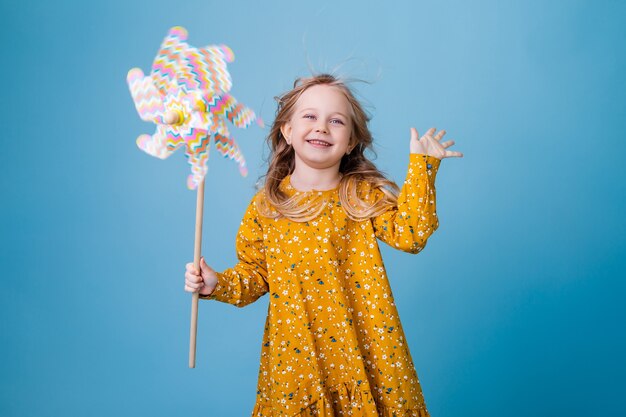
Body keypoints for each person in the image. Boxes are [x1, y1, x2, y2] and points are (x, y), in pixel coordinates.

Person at [184, 74, 462, 416]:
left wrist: (423, 168)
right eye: (310, 116)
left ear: (350, 142)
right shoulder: (267, 207)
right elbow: (255, 276)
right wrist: (217, 284)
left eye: (336, 121)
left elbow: (411, 234)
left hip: (366, 353)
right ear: (287, 130)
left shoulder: (360, 195)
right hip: (299, 363)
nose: (322, 127)